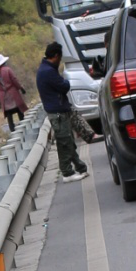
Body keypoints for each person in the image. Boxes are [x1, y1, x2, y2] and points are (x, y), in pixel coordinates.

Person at [36, 42, 89, 182]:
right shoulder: (48, 72)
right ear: (56, 56)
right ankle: (67, 172)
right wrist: (65, 82)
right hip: (57, 113)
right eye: (60, 57)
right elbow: (64, 85)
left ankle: (80, 167)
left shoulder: (45, 69)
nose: (60, 61)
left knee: (67, 141)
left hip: (58, 111)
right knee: (65, 143)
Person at [0, 54, 29, 132]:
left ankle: (12, 130)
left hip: (3, 97)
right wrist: (20, 88)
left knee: (9, 115)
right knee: (19, 111)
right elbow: (14, 80)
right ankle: (24, 129)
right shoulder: (8, 70)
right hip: (13, 93)